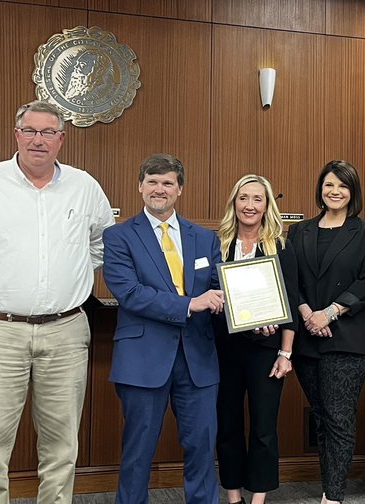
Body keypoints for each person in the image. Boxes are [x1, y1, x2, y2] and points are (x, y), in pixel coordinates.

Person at [0, 100, 114, 504]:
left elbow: (105, 243)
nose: (38, 140)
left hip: (66, 331)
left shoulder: (85, 186)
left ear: (62, 139)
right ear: (16, 135)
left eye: (48, 132)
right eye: (30, 131)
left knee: (62, 448)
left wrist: (77, 268)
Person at [102, 154, 224, 504]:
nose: (159, 189)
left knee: (202, 447)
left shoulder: (204, 238)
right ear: (140, 186)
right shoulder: (119, 236)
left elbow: (220, 288)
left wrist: (254, 315)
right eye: (152, 182)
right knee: (138, 452)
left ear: (180, 189)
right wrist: (190, 303)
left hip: (198, 359)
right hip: (143, 360)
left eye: (167, 182)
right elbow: (130, 294)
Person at [288, 160, 365, 504]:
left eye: (342, 186)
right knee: (321, 414)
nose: (335, 191)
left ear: (353, 192)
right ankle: (328, 485)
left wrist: (328, 314)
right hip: (306, 338)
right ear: (320, 188)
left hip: (346, 339)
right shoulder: (299, 231)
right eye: (329, 184)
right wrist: (307, 314)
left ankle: (333, 495)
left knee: (339, 417)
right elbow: (291, 280)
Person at [214, 174, 300, 504]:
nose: (249, 205)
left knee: (264, 427)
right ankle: (234, 495)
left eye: (257, 199)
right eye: (243, 198)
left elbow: (290, 303)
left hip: (266, 350)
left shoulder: (279, 246)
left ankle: (259, 498)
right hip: (225, 349)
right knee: (228, 423)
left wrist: (285, 353)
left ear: (267, 207)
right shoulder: (218, 243)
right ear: (234, 202)